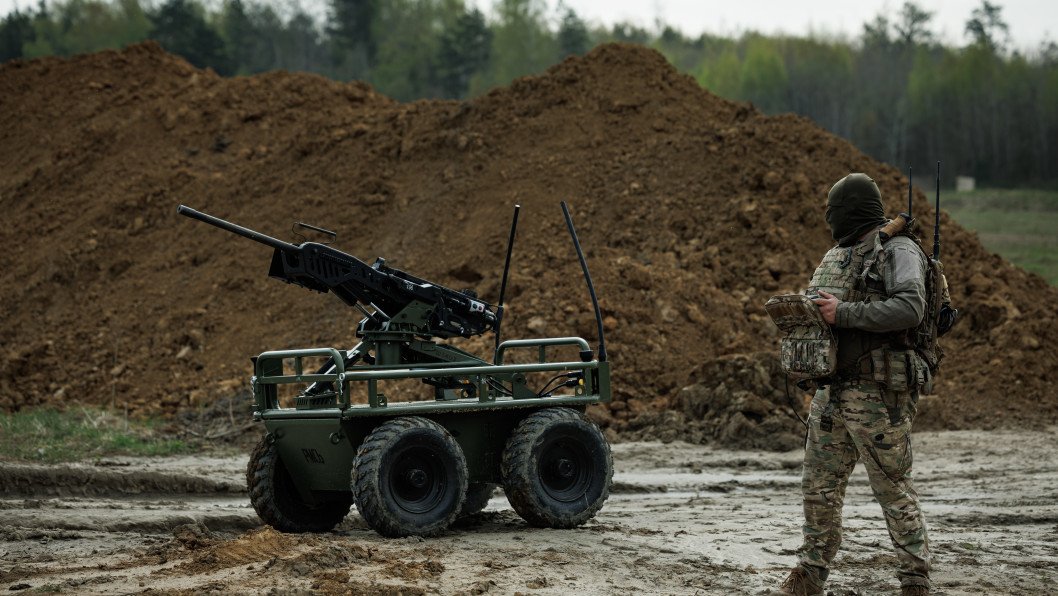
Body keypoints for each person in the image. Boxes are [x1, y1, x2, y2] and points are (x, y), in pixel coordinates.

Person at [778, 173, 933, 596]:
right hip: (833, 389)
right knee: (818, 485)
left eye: (835, 212)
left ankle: (915, 579)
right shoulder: (844, 254)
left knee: (891, 485)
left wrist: (841, 314)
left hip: (878, 391)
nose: (831, 220)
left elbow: (910, 307)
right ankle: (809, 575)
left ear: (850, 211)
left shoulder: (899, 251)